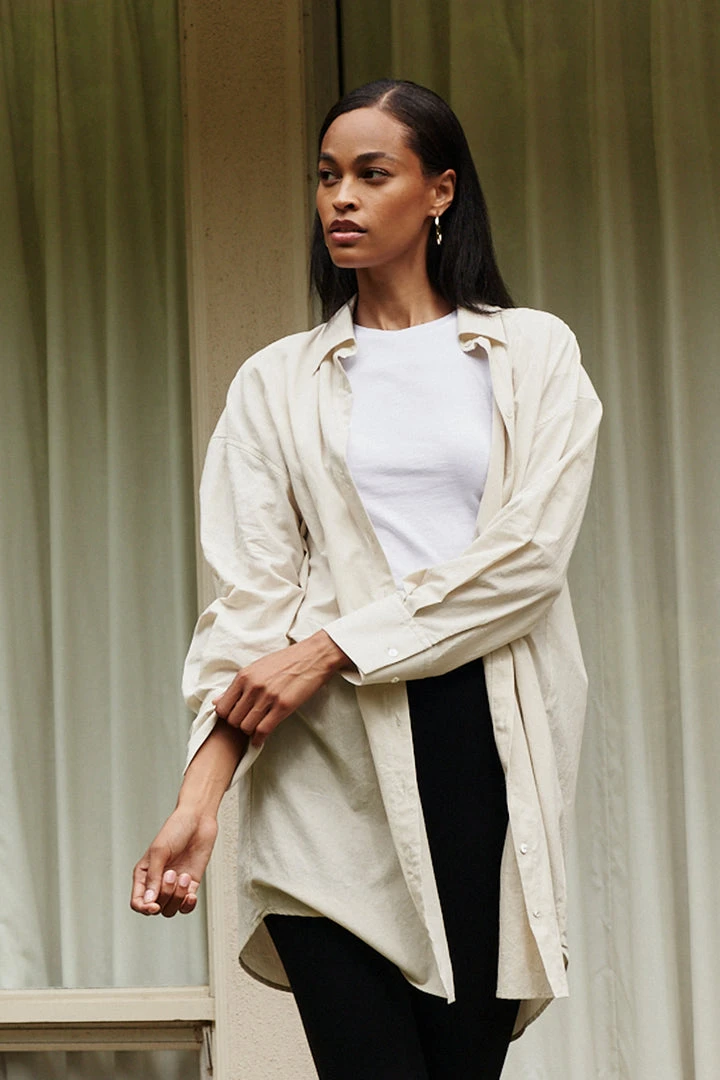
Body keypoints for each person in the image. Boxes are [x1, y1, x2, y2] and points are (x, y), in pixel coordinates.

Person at [131, 78, 602, 1078]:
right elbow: (251, 607)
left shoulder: (533, 353)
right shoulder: (275, 382)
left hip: (485, 751)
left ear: (440, 190)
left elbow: (528, 562)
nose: (340, 197)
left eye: (372, 174)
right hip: (324, 769)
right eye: (326, 176)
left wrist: (332, 644)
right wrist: (200, 799)